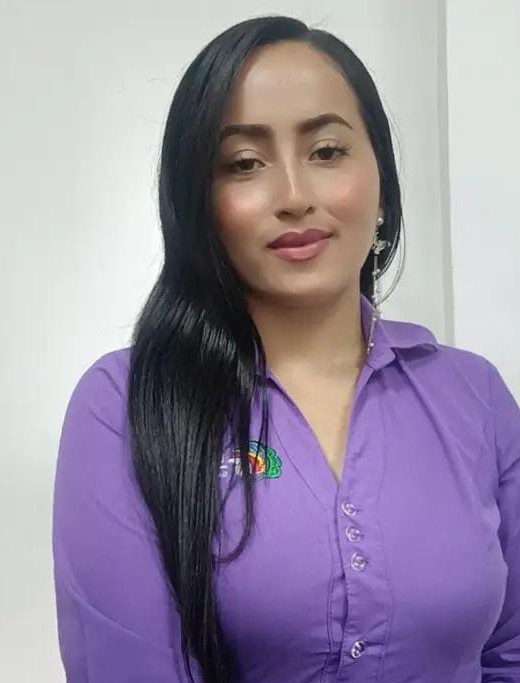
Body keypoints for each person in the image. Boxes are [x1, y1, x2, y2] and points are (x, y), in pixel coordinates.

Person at [51, 14, 520, 683]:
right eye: (244, 163)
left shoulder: (474, 397)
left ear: (381, 183)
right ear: (199, 202)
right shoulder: (124, 406)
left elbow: (511, 653)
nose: (295, 197)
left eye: (326, 151)